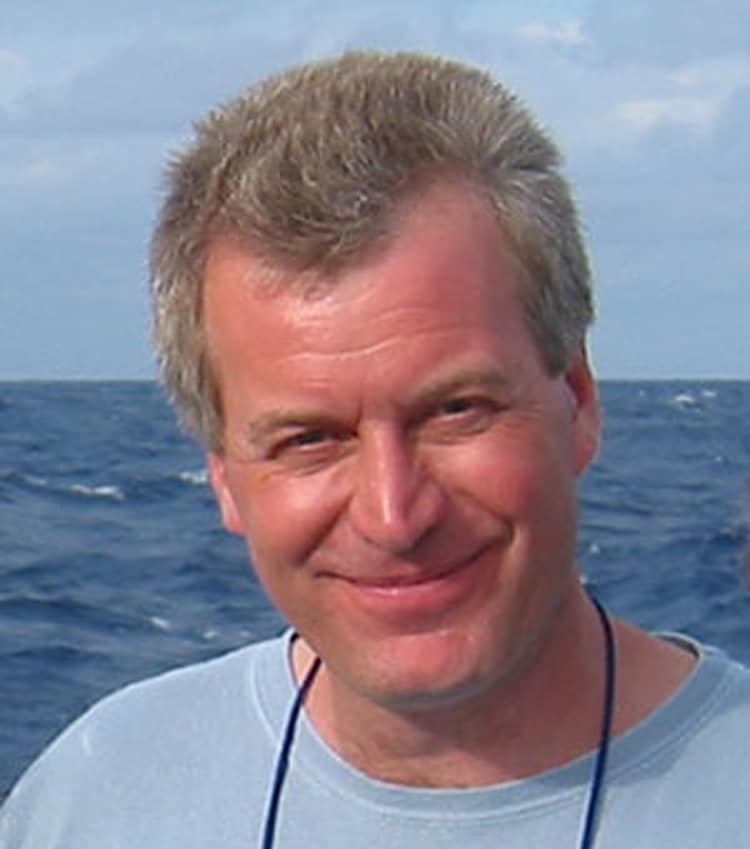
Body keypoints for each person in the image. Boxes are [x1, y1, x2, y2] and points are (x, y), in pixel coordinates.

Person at [1, 50, 748, 849]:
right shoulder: (95, 797)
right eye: (309, 439)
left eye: (456, 411)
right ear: (221, 472)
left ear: (579, 401)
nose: (394, 515)